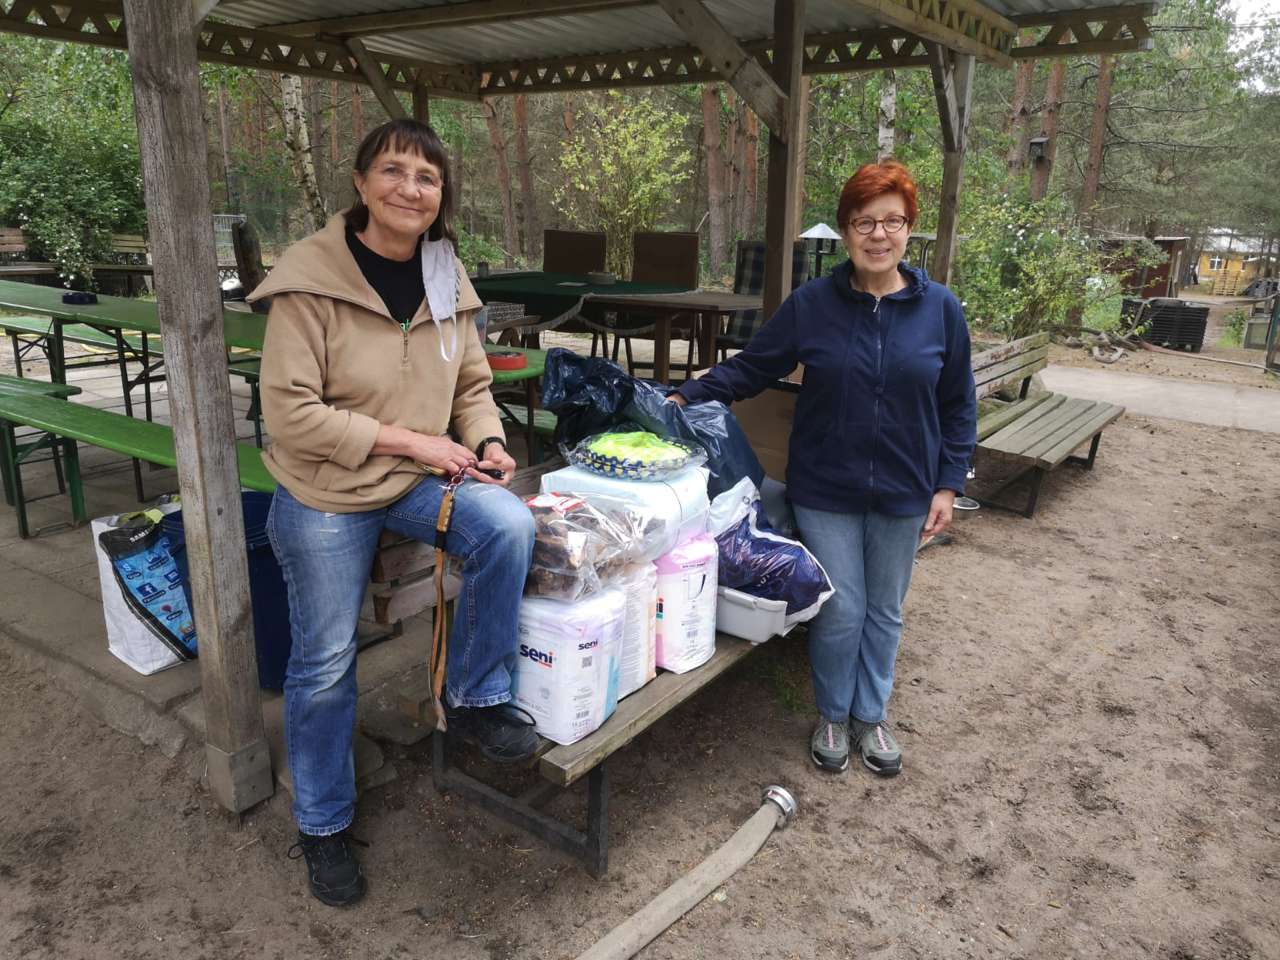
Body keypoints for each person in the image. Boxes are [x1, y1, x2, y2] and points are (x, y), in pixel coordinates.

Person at [248, 119, 537, 907]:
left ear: (442, 195)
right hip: (326, 489)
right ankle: (323, 823)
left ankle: (476, 699)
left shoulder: (445, 273)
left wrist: (486, 439)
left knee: (509, 525)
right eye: (393, 171)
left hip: (413, 478)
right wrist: (416, 440)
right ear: (360, 182)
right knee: (325, 661)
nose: (411, 188)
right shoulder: (310, 280)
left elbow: (472, 384)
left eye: (427, 177)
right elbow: (291, 417)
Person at [671, 160, 976, 777]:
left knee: (885, 609)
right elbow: (753, 367)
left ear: (908, 229)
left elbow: (958, 404)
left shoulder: (940, 310)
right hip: (827, 488)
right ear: (845, 231)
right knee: (841, 607)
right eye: (864, 222)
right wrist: (684, 396)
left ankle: (872, 715)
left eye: (892, 221)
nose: (878, 234)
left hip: (906, 489)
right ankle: (834, 714)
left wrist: (948, 483)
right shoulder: (813, 304)